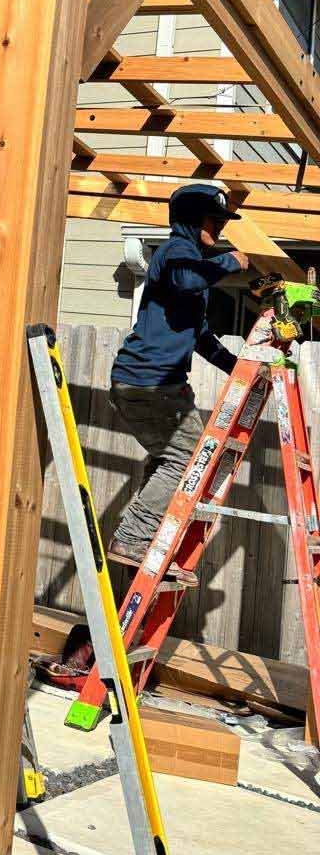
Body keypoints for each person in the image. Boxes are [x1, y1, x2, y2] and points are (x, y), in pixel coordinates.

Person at [108, 182, 249, 585]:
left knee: (169, 460)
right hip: (149, 384)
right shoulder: (177, 252)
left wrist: (237, 367)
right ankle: (133, 536)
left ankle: (149, 539)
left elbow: (201, 338)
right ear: (192, 220)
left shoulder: (187, 265)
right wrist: (231, 263)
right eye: (214, 220)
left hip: (150, 385)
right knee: (189, 460)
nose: (220, 228)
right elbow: (189, 279)